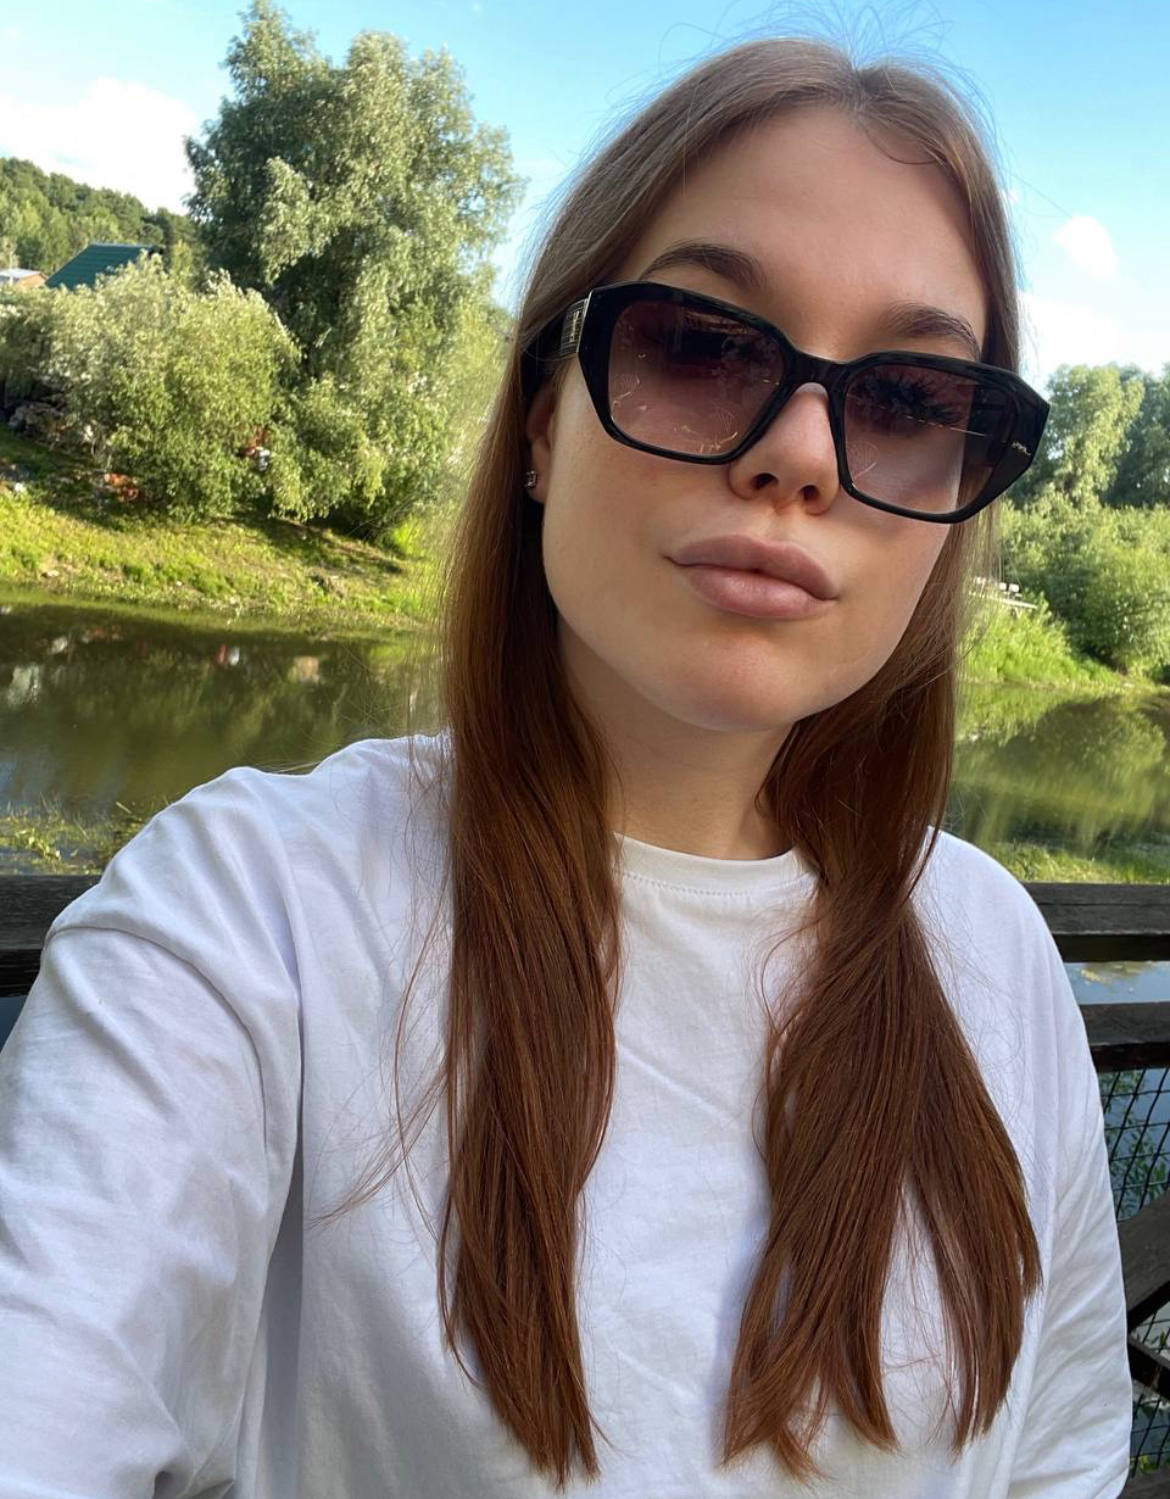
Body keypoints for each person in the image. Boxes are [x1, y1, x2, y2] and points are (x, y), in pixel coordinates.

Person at [0, 32, 1134, 1499]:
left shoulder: (992, 953)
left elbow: (1060, 1455)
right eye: (702, 346)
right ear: (544, 422)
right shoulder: (249, 919)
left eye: (910, 401)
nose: (799, 452)